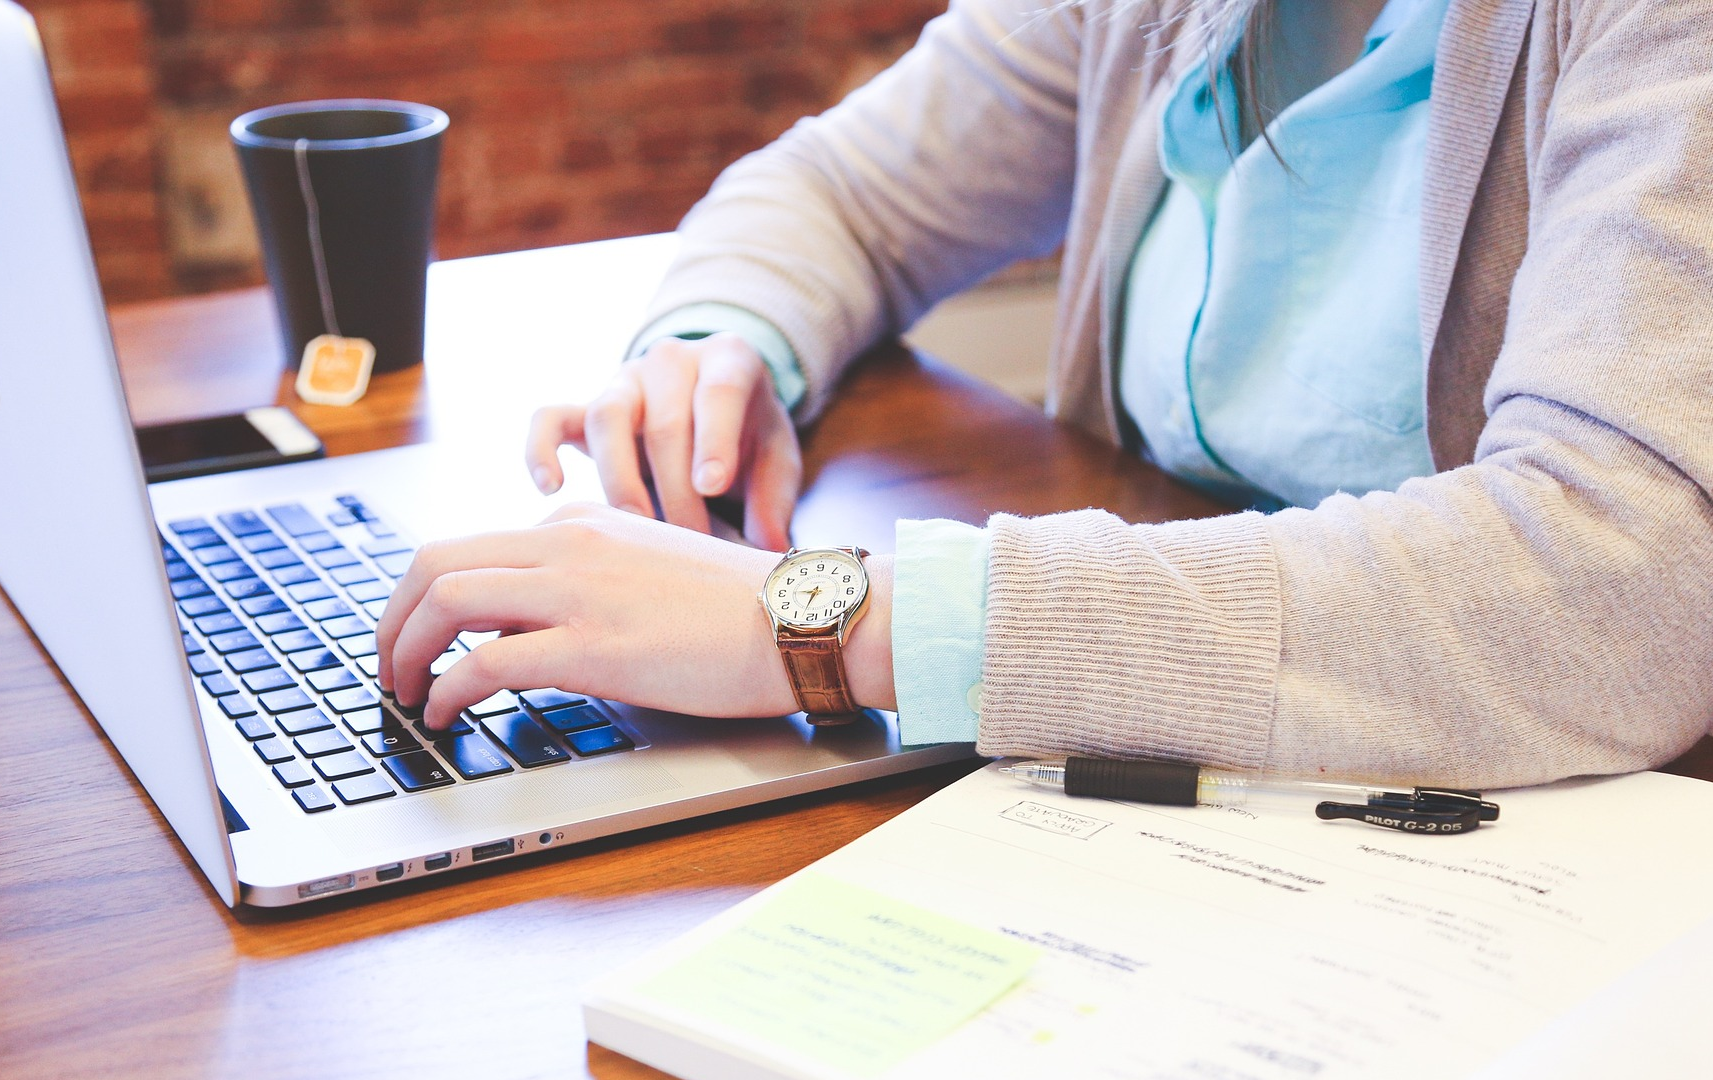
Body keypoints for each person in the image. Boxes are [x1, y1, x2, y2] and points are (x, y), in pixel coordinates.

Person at [376, 0, 1713, 788]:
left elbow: (1623, 578)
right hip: (1183, 780)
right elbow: (845, 190)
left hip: (1524, 824)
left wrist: (827, 623)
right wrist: (719, 344)